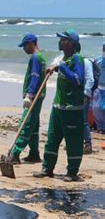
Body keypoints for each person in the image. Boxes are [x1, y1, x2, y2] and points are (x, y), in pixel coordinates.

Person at [33, 29, 84, 182]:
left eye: (63, 39)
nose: (59, 42)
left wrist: (60, 68)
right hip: (58, 107)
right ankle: (47, 169)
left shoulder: (77, 59)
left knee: (73, 142)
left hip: (72, 109)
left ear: (71, 43)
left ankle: (72, 172)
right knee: (52, 139)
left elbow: (77, 80)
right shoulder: (63, 59)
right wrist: (55, 69)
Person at [9, 33, 47, 164]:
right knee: (34, 125)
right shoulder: (40, 57)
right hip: (40, 95)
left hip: (34, 96)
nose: (24, 48)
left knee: (26, 124)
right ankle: (34, 153)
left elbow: (35, 77)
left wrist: (29, 95)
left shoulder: (36, 58)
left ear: (31, 43)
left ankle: (15, 153)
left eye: (25, 46)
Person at [83, 56, 95, 154]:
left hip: (84, 95)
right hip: (78, 95)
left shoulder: (85, 62)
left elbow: (90, 79)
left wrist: (85, 94)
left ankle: (88, 144)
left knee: (83, 121)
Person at [93, 43, 105, 134]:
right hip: (99, 88)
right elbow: (94, 74)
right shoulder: (97, 60)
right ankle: (101, 127)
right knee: (97, 108)